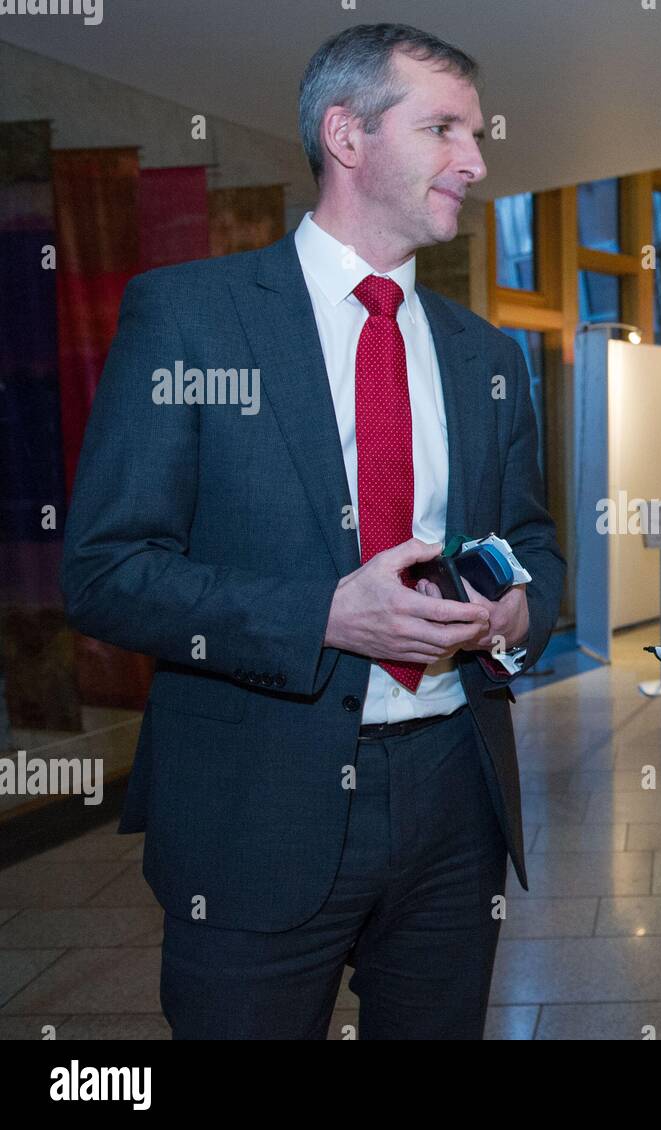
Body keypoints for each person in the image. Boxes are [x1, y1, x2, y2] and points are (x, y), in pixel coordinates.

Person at [60, 23, 564, 1039]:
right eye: (444, 129)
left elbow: (536, 545)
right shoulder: (192, 318)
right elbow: (108, 571)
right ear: (346, 134)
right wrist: (325, 614)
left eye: (474, 133)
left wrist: (514, 611)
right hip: (253, 807)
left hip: (454, 799)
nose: (475, 159)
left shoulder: (487, 356)